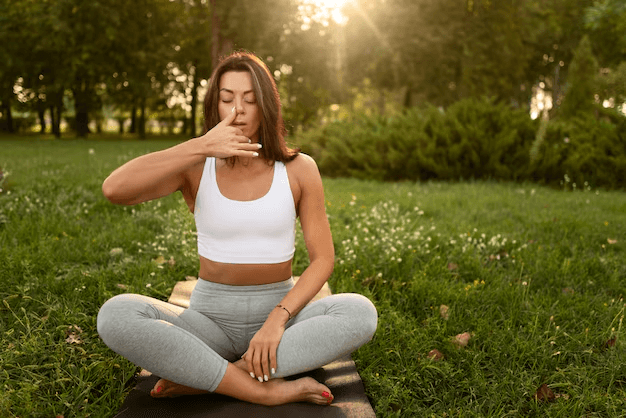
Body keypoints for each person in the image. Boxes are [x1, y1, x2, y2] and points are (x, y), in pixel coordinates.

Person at [97, 51, 378, 407]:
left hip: (281, 323)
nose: (238, 110)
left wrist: (278, 320)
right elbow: (114, 190)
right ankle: (262, 389)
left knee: (359, 312)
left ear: (266, 106)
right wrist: (200, 145)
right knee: (116, 314)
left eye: (250, 99)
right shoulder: (197, 167)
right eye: (227, 98)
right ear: (214, 106)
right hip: (208, 324)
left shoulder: (299, 169)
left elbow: (323, 260)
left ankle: (208, 377)